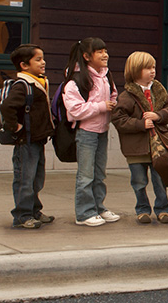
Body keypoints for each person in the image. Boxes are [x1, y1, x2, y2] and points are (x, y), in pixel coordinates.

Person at [112, 51, 168, 224]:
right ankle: (142, 209)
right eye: (147, 68)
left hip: (158, 147)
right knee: (139, 182)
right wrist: (140, 124)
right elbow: (118, 119)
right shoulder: (126, 96)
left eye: (153, 67)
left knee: (160, 180)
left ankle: (163, 209)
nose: (152, 71)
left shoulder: (159, 90)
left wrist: (158, 115)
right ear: (135, 70)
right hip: (136, 149)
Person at [63, 38, 120, 227]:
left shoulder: (106, 75)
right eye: (99, 52)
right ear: (87, 56)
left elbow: (114, 94)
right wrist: (101, 107)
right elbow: (75, 110)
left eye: (105, 50)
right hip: (86, 133)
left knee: (99, 173)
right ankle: (84, 213)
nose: (105, 55)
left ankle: (98, 207)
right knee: (85, 175)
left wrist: (112, 103)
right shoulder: (76, 80)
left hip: (102, 131)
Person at [2, 44, 55, 229]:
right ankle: (22, 215)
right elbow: (7, 107)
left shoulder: (37, 82)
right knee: (25, 179)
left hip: (37, 140)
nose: (43, 62)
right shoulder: (23, 85)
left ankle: (34, 210)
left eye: (43, 58)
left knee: (36, 179)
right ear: (24, 65)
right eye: (38, 59)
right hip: (26, 142)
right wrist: (15, 127)